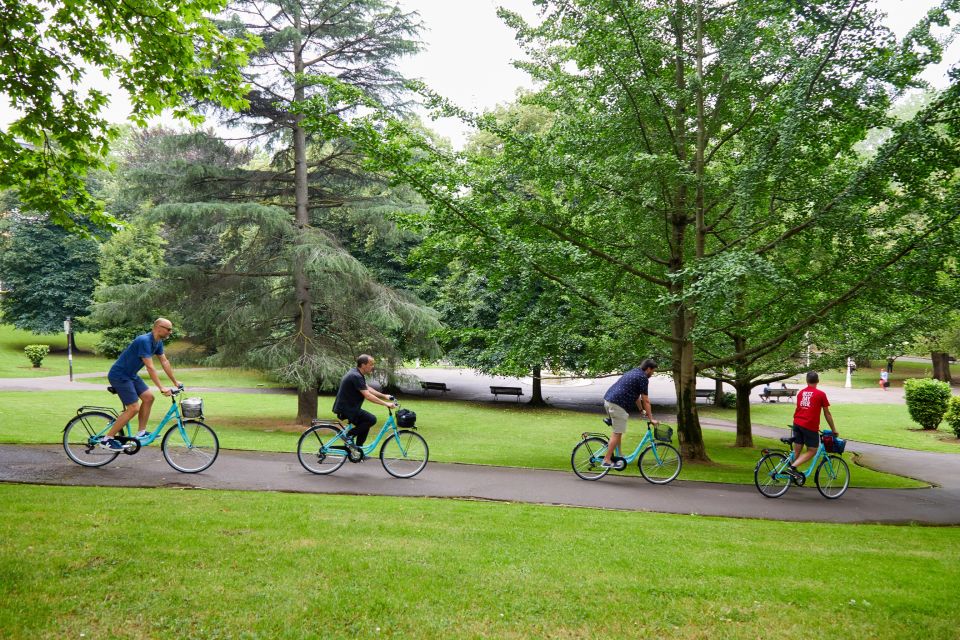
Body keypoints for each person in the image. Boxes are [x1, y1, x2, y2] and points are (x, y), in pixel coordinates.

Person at [99, 318, 180, 450]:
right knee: (133, 408)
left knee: (149, 398)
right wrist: (161, 387)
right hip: (120, 375)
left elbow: (164, 362)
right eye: (168, 329)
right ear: (158, 327)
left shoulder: (157, 342)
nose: (170, 332)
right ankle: (107, 439)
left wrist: (175, 382)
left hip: (131, 375)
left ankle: (141, 432)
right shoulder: (144, 341)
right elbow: (150, 367)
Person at [600, 359, 659, 468]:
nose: (653, 374)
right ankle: (607, 459)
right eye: (653, 371)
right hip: (617, 405)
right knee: (617, 432)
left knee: (619, 430)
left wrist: (641, 410)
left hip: (608, 401)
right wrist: (651, 418)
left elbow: (636, 395)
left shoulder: (635, 372)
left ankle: (619, 455)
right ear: (648, 369)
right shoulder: (643, 378)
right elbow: (646, 400)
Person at [783, 371, 837, 483]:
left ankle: (789, 476)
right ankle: (792, 468)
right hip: (809, 425)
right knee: (812, 450)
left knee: (797, 450)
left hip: (797, 423)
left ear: (807, 381)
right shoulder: (820, 394)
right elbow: (827, 413)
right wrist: (834, 430)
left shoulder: (801, 393)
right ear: (817, 381)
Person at [332, 354, 397, 446]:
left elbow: (367, 388)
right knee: (371, 419)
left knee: (365, 423)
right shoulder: (356, 376)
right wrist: (386, 404)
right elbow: (368, 396)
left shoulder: (356, 373)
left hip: (348, 407)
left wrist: (384, 396)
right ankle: (349, 434)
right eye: (370, 364)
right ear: (363, 365)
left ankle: (358, 451)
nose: (372, 367)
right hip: (347, 409)